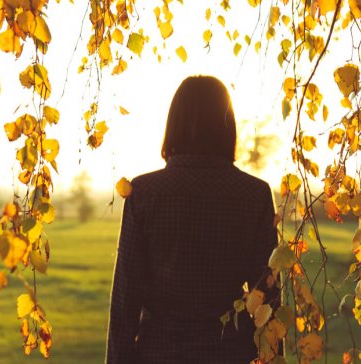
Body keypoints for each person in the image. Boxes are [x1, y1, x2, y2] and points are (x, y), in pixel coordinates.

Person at [106, 75, 279, 363]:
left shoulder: (144, 193)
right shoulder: (254, 195)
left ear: (173, 125)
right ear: (228, 127)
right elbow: (268, 296)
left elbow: (125, 301)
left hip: (159, 353)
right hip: (232, 352)